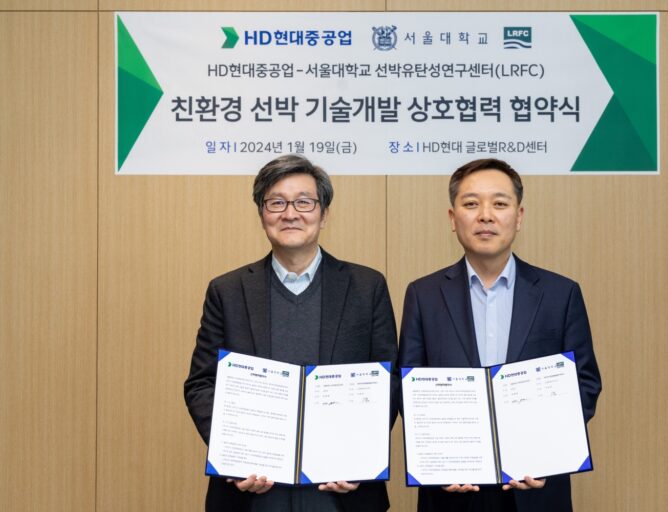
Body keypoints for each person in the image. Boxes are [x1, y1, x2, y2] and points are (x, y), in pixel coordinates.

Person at [184, 155, 398, 512]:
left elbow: (388, 380)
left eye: (304, 202)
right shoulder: (228, 291)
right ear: (262, 214)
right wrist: (233, 454)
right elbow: (201, 384)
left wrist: (361, 455)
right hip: (253, 490)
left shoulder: (366, 286)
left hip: (341, 491)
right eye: (277, 203)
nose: (290, 214)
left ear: (324, 214)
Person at [397, 158, 602, 512]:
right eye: (471, 204)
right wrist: (438, 458)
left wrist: (546, 452)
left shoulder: (560, 293)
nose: (486, 216)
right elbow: (408, 385)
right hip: (452, 491)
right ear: (453, 218)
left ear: (518, 217)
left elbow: (584, 383)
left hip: (535, 488)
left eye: (500, 204)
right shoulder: (423, 294)